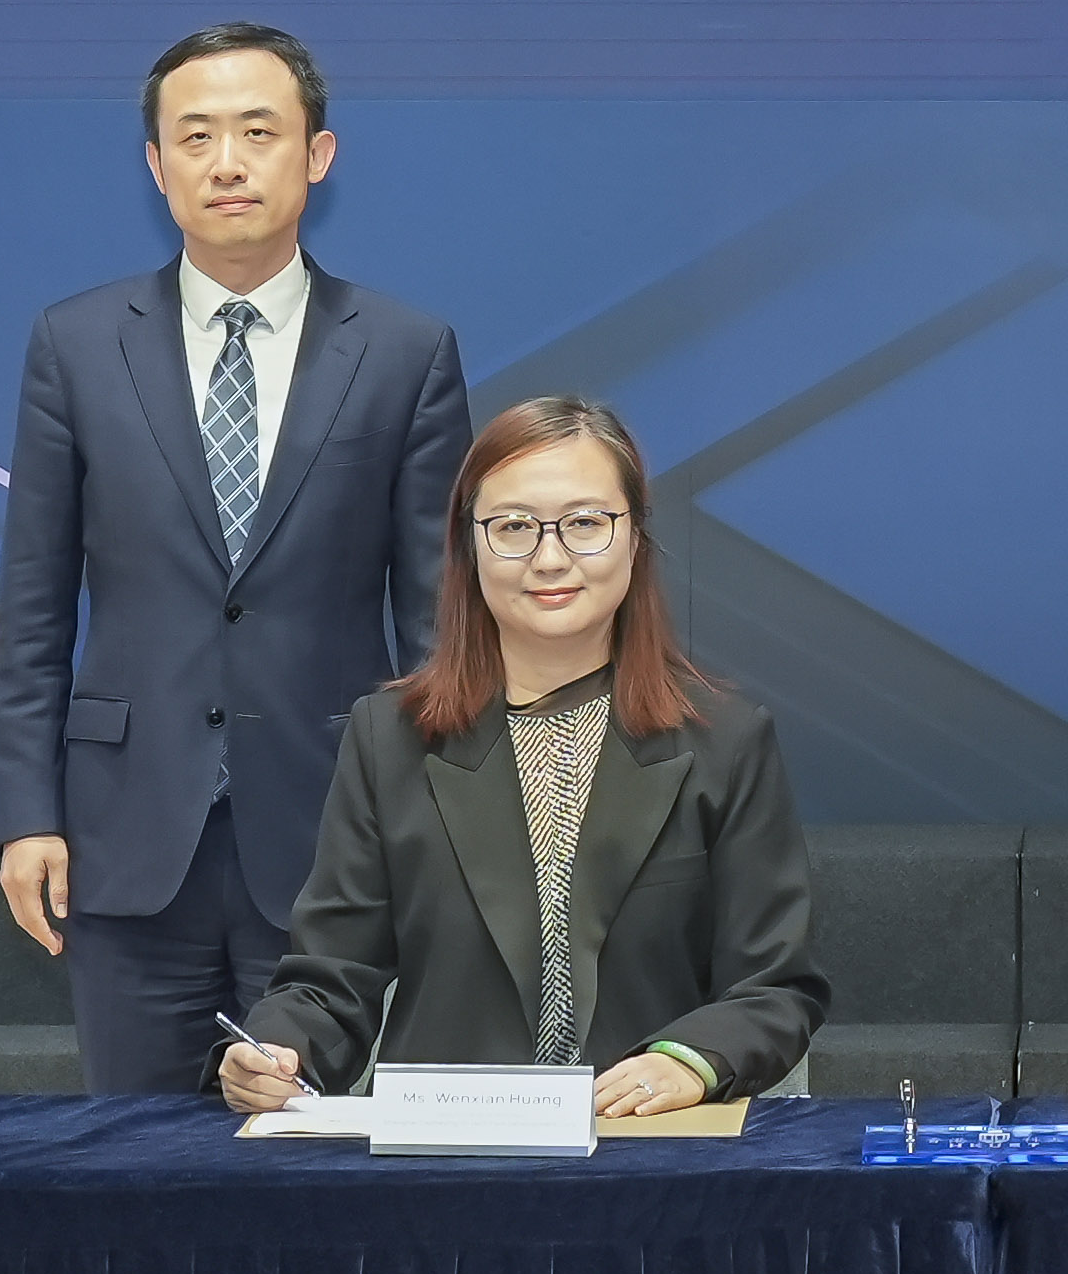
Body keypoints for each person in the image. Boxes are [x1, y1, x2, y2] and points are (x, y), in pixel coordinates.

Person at [0, 22, 473, 1095]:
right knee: (130, 1176)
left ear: (319, 154)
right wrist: (26, 810)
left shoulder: (403, 349)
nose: (228, 160)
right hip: (124, 836)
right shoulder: (75, 343)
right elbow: (31, 598)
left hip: (335, 836)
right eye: (195, 135)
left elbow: (438, 618)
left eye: (259, 130)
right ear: (157, 167)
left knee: (320, 1171)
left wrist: (438, 818)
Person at [218, 397, 824, 1113]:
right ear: (469, 548)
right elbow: (330, 975)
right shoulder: (391, 737)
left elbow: (775, 986)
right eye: (512, 528)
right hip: (447, 1159)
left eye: (586, 524)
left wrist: (685, 1063)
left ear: (635, 539)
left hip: (649, 1151)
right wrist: (277, 1049)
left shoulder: (726, 740)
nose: (549, 558)